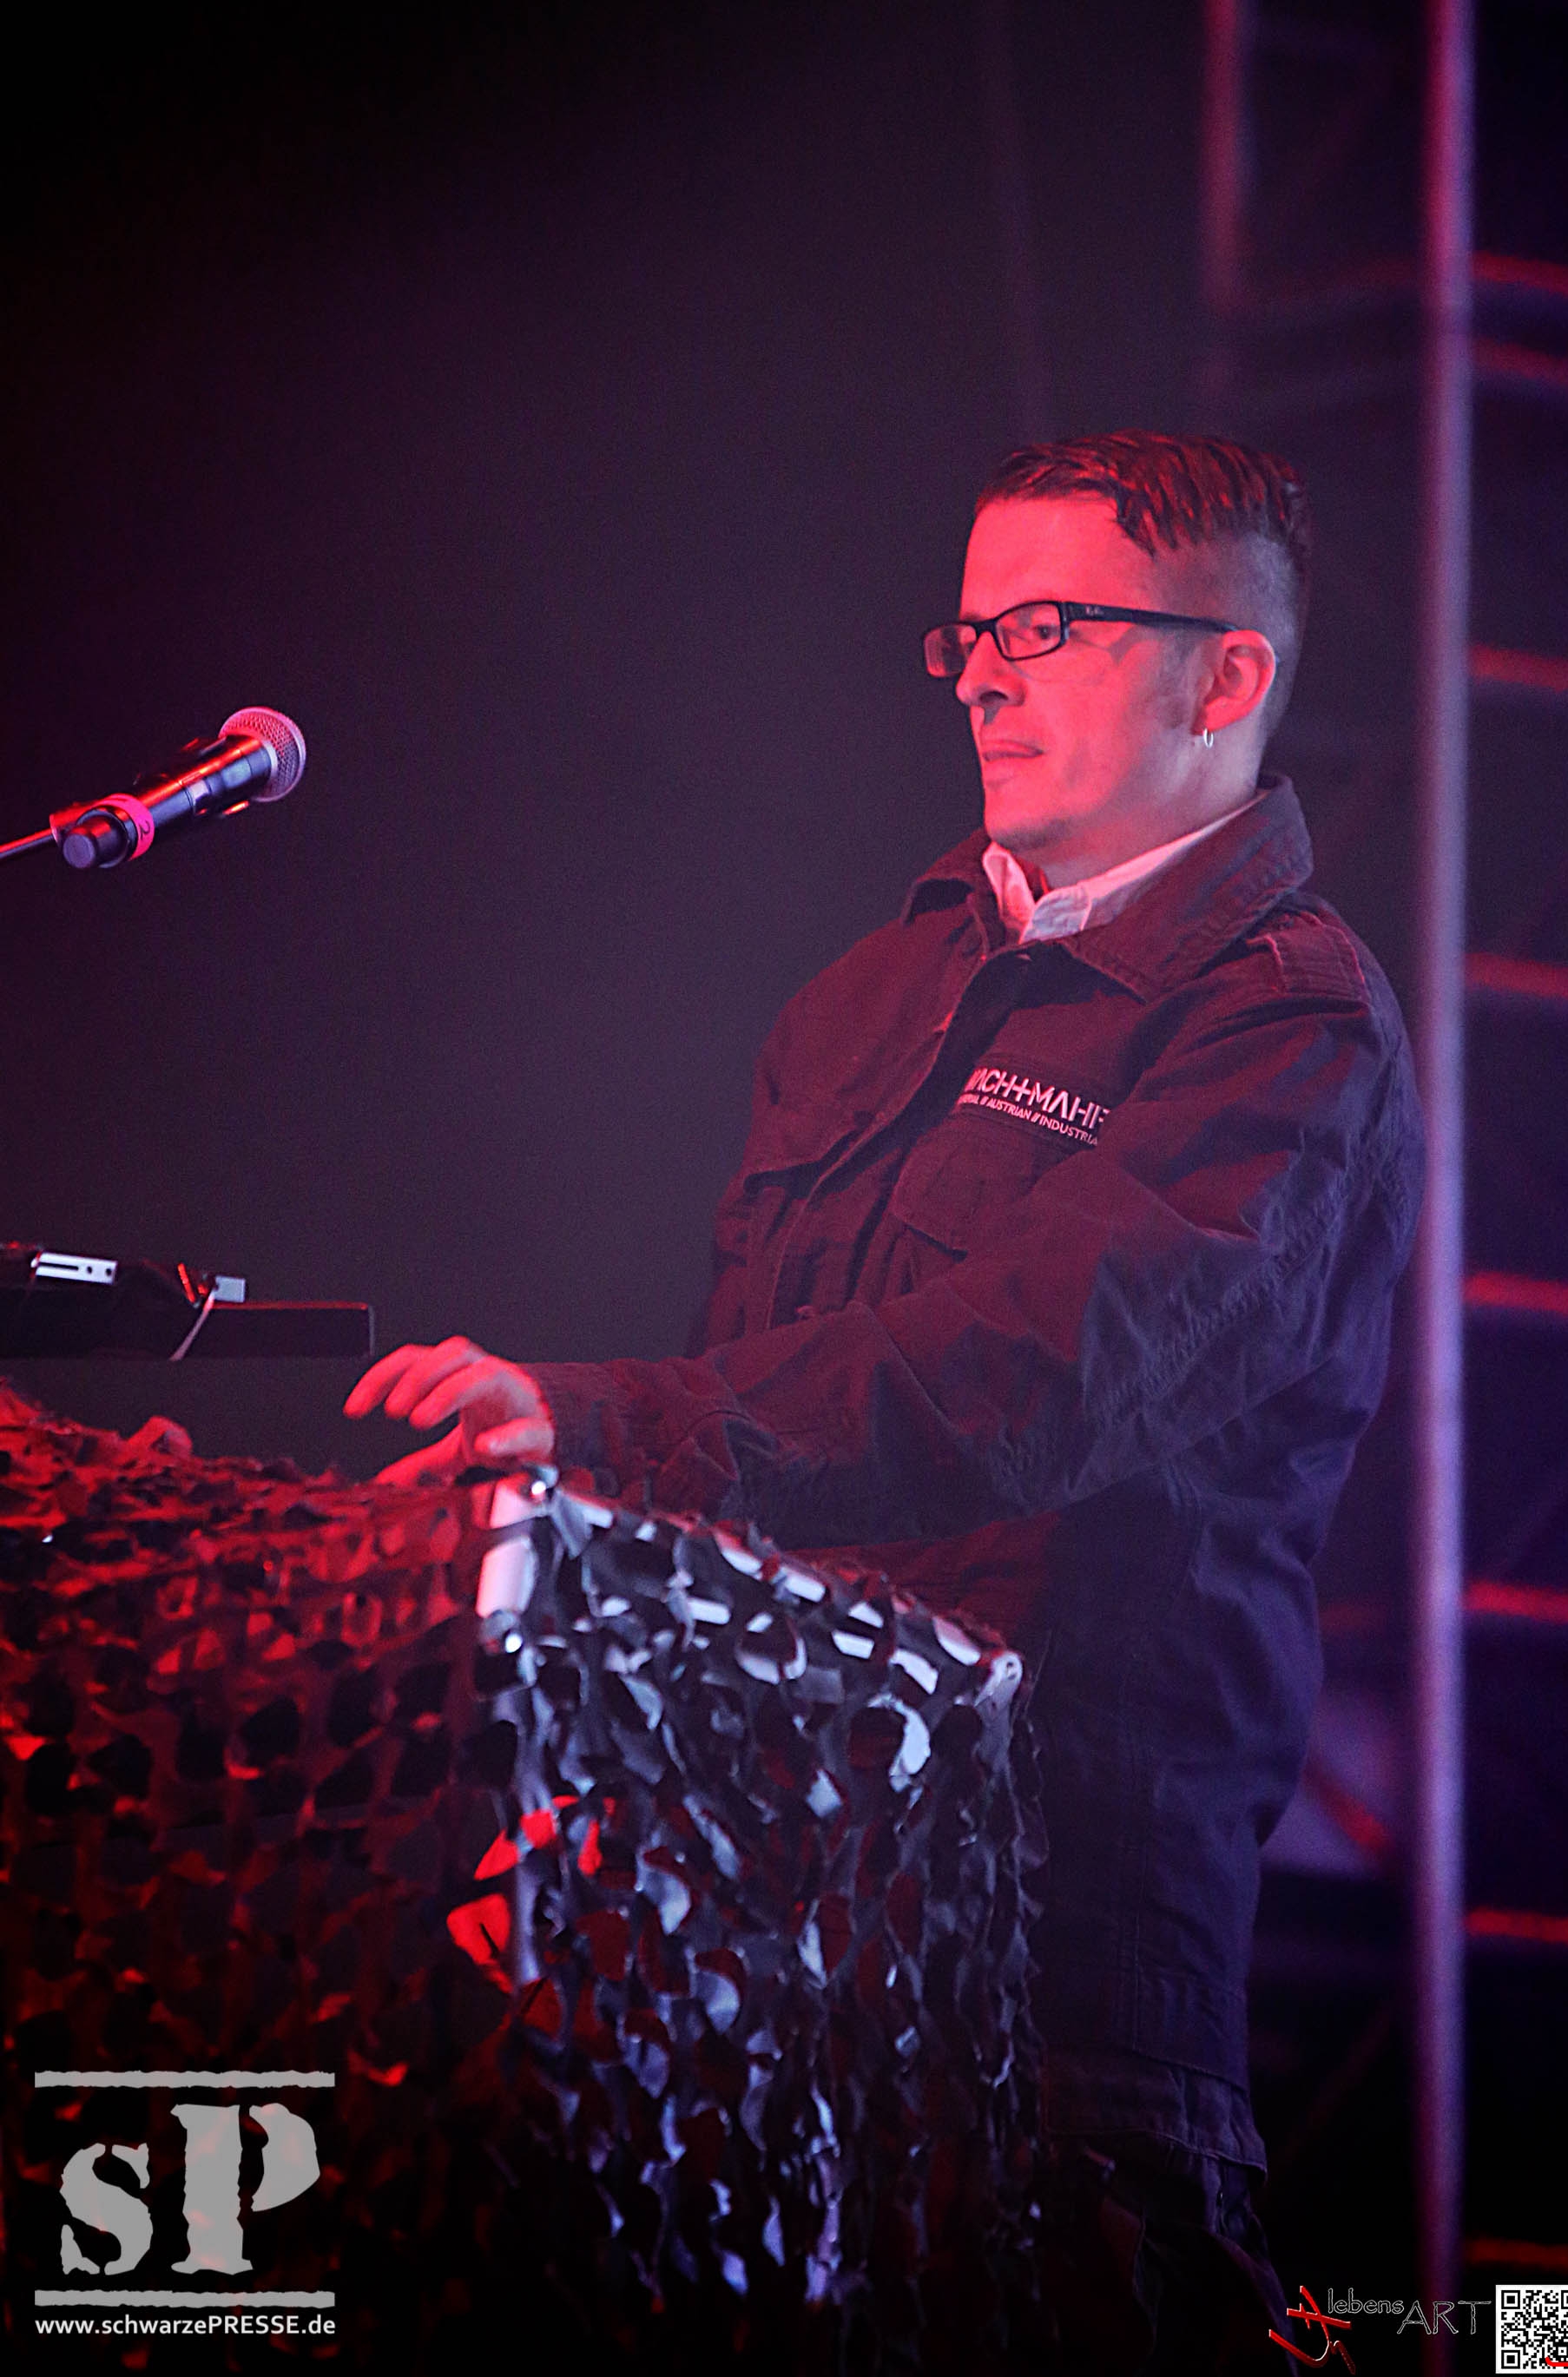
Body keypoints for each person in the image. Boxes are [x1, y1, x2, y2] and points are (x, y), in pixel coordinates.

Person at [346, 433, 1424, 2371]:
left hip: (1055, 1987)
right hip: (744, 1942)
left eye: (1047, 625)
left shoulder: (1291, 1024)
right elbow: (740, 1472)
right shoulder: (867, 992)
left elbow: (1033, 1364)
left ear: (1225, 678)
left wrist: (608, 1420)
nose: (983, 675)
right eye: (968, 632)